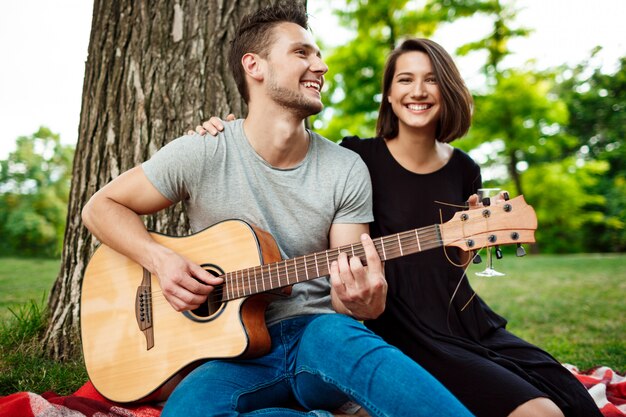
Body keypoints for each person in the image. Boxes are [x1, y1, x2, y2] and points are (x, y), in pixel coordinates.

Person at [81, 3, 474, 417]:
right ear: (255, 66)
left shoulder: (345, 168)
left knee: (347, 342)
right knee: (187, 412)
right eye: (302, 53)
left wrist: (363, 302)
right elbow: (100, 207)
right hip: (229, 355)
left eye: (318, 55)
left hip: (319, 337)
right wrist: (161, 261)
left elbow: (347, 297)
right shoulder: (204, 150)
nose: (320, 65)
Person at [197, 38, 602, 417]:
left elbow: (449, 262)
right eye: (405, 79)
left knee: (576, 403)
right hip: (400, 328)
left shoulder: (465, 167)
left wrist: (464, 251)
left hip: (463, 316)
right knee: (539, 412)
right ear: (389, 95)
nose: (418, 91)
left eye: (431, 79)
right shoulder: (356, 157)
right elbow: (284, 150)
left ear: (448, 89)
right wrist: (230, 131)